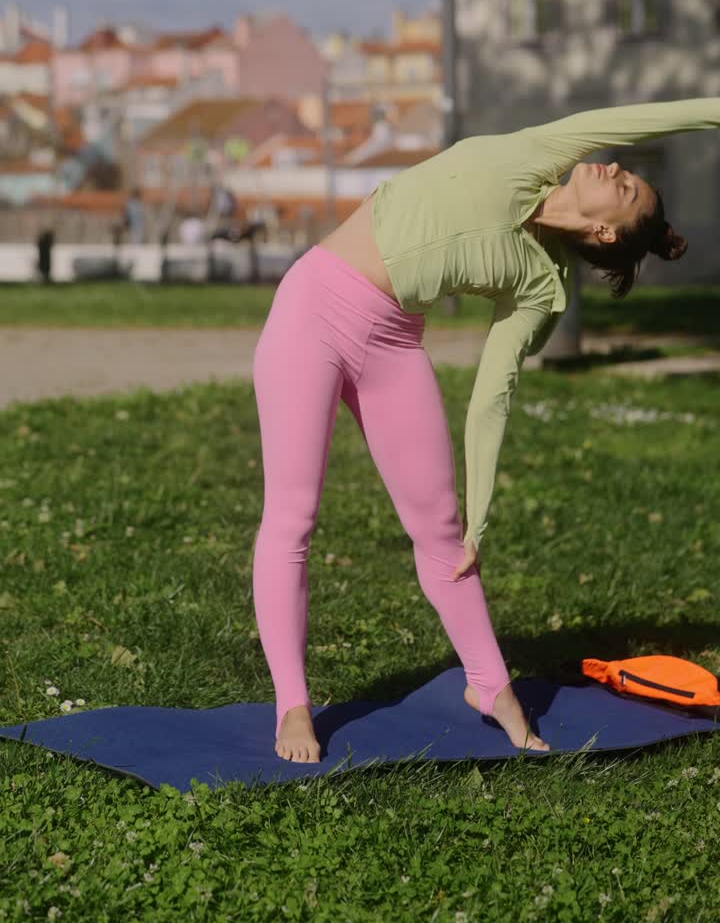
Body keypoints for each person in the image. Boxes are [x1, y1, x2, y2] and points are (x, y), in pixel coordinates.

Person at [252, 99, 719, 764]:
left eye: (625, 188)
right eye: (622, 172)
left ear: (607, 231)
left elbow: (492, 396)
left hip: (393, 341)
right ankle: (293, 705)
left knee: (445, 532)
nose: (614, 169)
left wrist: (481, 518)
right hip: (313, 308)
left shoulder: (544, 285)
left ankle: (492, 687)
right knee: (293, 515)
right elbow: (642, 119)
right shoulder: (540, 153)